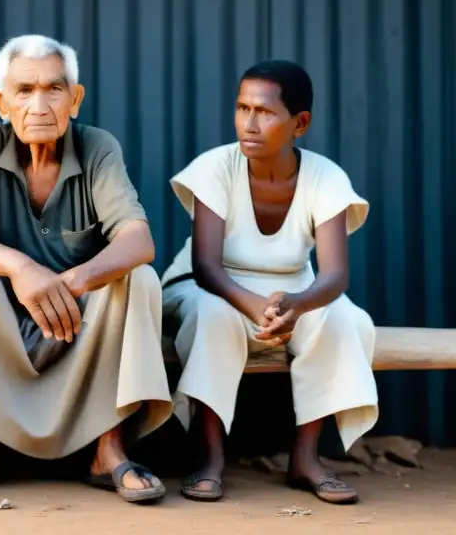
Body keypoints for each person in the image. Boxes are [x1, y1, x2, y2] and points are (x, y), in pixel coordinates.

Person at [0, 34, 173, 504]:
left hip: (78, 325)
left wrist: (72, 282)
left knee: (140, 278)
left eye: (53, 90)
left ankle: (110, 450)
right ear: (3, 102)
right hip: (5, 328)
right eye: (24, 91)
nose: (39, 105)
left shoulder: (98, 146)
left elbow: (139, 241)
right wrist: (22, 269)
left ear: (74, 99)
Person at [161, 60, 377, 505]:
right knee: (214, 316)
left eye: (264, 112)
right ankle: (212, 458)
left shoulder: (325, 177)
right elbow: (205, 265)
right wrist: (256, 304)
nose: (249, 124)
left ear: (300, 123)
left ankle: (306, 458)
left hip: (292, 295)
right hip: (208, 288)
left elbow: (335, 276)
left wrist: (297, 304)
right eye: (242, 109)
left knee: (341, 318)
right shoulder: (215, 167)